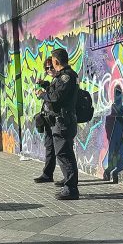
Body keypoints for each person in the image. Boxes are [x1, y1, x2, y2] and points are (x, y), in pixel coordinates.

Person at [37, 47, 79, 200]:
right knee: (64, 153)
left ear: (56, 61)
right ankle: (68, 182)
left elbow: (56, 97)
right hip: (62, 120)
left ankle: (71, 188)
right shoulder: (65, 76)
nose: (51, 66)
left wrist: (43, 95)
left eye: (52, 63)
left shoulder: (66, 77)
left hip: (63, 121)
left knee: (64, 154)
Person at [33, 57, 61, 185]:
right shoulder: (55, 80)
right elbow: (51, 90)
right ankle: (47, 174)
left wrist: (42, 94)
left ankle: (70, 180)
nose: (49, 70)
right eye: (47, 68)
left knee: (62, 150)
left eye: (51, 67)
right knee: (49, 147)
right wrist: (44, 84)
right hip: (49, 120)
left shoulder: (62, 79)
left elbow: (55, 97)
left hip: (58, 121)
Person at [103, 85, 123, 183]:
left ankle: (112, 173)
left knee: (119, 154)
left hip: (118, 134)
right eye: (117, 94)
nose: (119, 96)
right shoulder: (114, 107)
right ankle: (109, 172)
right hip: (114, 134)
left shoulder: (120, 108)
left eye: (120, 94)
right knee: (115, 154)